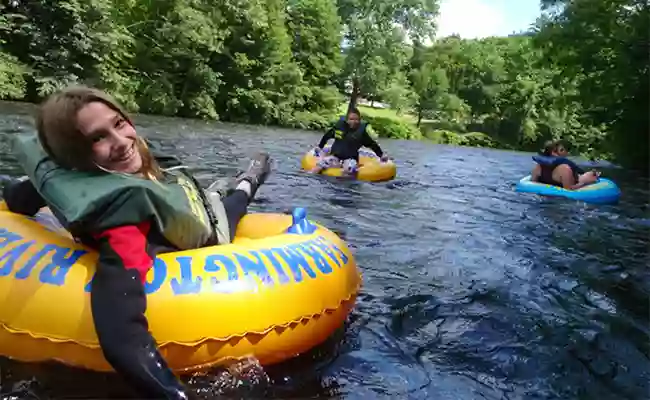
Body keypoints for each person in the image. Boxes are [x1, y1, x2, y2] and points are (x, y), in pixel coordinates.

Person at [2, 85, 272, 399]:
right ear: (73, 157)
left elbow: (29, 193)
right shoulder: (124, 225)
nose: (120, 142)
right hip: (201, 226)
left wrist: (15, 197)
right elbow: (121, 337)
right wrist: (175, 394)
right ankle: (247, 181)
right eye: (97, 138)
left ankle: (247, 178)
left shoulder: (111, 162)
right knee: (232, 206)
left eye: (119, 123)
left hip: (176, 198)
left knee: (217, 198)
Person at [309, 108, 389, 176]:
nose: (354, 122)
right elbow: (326, 136)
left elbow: (372, 145)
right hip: (335, 157)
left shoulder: (362, 134)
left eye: (356, 119)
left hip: (350, 159)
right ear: (347, 120)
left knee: (348, 169)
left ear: (359, 120)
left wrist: (381, 155)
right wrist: (320, 147)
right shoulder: (339, 128)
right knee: (320, 165)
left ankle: (343, 190)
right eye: (351, 119)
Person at [530, 140, 600, 189]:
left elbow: (532, 185)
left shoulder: (538, 167)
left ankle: (592, 174)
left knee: (588, 174)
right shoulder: (564, 169)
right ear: (561, 151)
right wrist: (586, 183)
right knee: (589, 175)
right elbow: (570, 190)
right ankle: (593, 175)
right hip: (562, 200)